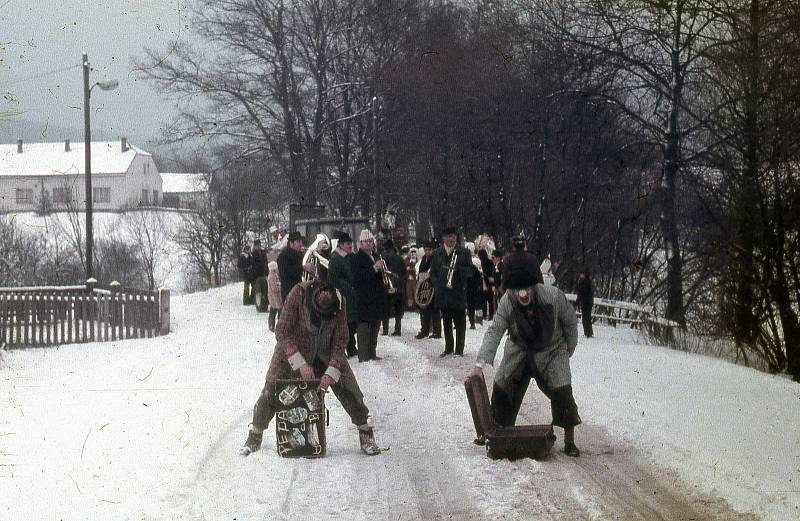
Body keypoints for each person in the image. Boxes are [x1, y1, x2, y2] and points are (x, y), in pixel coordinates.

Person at [239, 279, 380, 456]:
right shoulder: (298, 294)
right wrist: (300, 363)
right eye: (323, 293)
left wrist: (330, 373)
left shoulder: (340, 300)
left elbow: (341, 340)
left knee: (349, 389)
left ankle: (365, 432)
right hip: (292, 352)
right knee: (270, 390)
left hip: (324, 353)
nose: (326, 295)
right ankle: (255, 435)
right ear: (317, 292)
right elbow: (281, 330)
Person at [468, 255, 582, 457]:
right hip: (519, 349)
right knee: (503, 384)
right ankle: (497, 432)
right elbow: (495, 330)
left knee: (562, 388)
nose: (523, 294)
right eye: (518, 289)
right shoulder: (507, 302)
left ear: (535, 285)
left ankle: (570, 440)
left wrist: (570, 347)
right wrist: (480, 363)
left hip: (551, 349)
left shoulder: (554, 296)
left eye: (527, 288)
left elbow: (570, 321)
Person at [429, 227, 473, 357]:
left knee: (460, 323)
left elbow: (470, 271)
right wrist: (437, 285)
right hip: (443, 293)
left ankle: (459, 350)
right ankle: (448, 348)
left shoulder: (464, 252)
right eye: (448, 236)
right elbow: (433, 273)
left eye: (453, 236)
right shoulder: (437, 253)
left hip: (458, 292)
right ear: (443, 238)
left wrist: (458, 270)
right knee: (446, 322)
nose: (451, 239)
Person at [351, 229, 388, 362]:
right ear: (360, 243)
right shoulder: (356, 258)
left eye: (371, 241)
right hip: (364, 298)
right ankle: (364, 356)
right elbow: (358, 278)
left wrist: (381, 273)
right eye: (366, 241)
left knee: (375, 326)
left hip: (376, 297)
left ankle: (372, 353)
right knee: (364, 328)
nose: (369, 243)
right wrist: (374, 269)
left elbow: (377, 277)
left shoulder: (375, 255)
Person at [327, 232, 359, 357]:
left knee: (351, 323)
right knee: (344, 323)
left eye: (351, 243)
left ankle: (351, 346)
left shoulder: (350, 256)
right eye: (347, 244)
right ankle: (345, 348)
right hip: (342, 295)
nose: (350, 245)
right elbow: (333, 278)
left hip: (351, 295)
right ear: (340, 245)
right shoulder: (335, 259)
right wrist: (347, 287)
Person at [415, 241, 442, 339]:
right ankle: (424, 330)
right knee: (423, 310)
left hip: (433, 287)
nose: (427, 252)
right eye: (426, 250)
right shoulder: (423, 259)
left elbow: (438, 273)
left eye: (429, 250)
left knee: (434, 310)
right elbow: (421, 271)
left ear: (432, 250)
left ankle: (437, 331)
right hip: (423, 287)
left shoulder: (436, 259)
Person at [379, 239, 406, 336]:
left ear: (385, 248)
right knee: (398, 309)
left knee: (385, 309)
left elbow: (379, 273)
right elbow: (404, 273)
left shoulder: (382, 257)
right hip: (398, 287)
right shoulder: (399, 258)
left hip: (385, 287)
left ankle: (385, 330)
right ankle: (397, 330)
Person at [277, 232, 306, 302]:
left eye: (301, 241)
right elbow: (285, 273)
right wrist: (302, 267)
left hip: (299, 291)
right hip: (289, 293)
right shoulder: (283, 256)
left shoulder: (299, 255)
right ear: (291, 243)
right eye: (298, 242)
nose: (301, 244)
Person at [576, 270, 594, 338]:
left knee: (585, 317)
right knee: (587, 317)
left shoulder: (585, 282)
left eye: (582, 274)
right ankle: (588, 332)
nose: (581, 275)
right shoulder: (585, 281)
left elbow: (582, 291)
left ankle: (588, 332)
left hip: (586, 302)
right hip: (587, 301)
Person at [267, 260, 282, 332]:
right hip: (275, 297)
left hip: (274, 297)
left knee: (273, 311)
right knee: (277, 311)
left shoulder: (273, 275)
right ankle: (274, 325)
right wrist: (280, 285)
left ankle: (272, 325)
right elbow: (274, 288)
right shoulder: (273, 276)